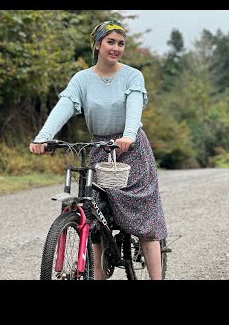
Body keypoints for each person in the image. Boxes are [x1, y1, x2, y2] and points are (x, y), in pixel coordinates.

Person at [29, 20, 167, 280]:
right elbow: (65, 106)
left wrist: (128, 135)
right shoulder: (82, 79)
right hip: (100, 149)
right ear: (97, 45)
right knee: (94, 216)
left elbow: (135, 106)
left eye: (120, 43)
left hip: (132, 150)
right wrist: (43, 138)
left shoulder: (132, 76)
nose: (115, 48)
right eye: (110, 42)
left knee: (145, 222)